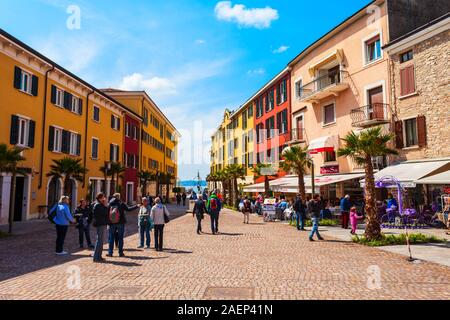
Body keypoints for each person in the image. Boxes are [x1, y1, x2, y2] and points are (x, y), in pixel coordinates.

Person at [107, 193, 138, 258]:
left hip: (112, 223)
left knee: (111, 238)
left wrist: (108, 222)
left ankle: (110, 252)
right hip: (120, 222)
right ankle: (120, 253)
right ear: (118, 197)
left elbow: (107, 213)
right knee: (120, 238)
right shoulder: (121, 203)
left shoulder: (110, 203)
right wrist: (136, 206)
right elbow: (128, 209)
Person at [92, 193, 109, 263]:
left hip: (100, 223)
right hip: (100, 223)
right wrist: (105, 205)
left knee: (100, 240)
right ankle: (96, 257)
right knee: (99, 241)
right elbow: (105, 213)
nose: (104, 199)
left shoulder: (99, 204)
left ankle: (98, 256)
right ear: (99, 198)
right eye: (103, 197)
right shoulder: (98, 205)